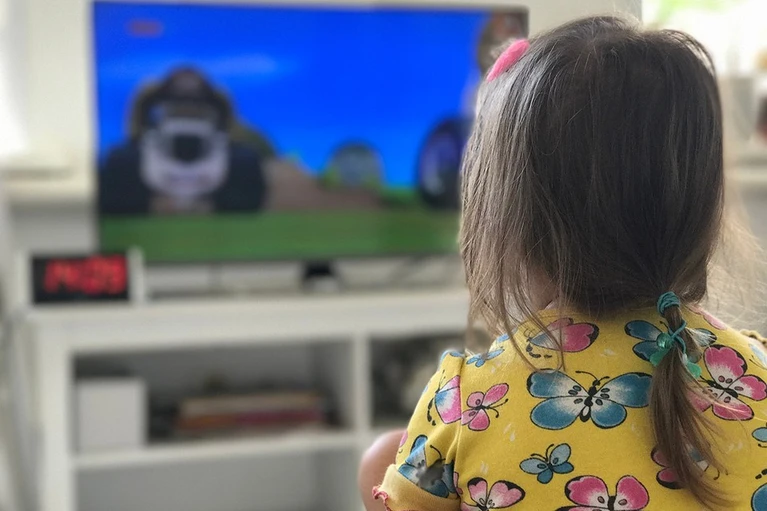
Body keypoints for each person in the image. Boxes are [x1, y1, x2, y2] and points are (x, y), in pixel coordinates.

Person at [359, 15, 767, 511]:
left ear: (507, 218)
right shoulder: (755, 372)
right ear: (700, 207)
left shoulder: (469, 399)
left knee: (381, 460)